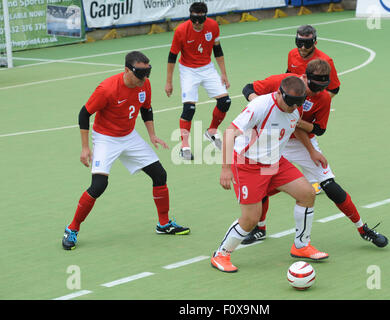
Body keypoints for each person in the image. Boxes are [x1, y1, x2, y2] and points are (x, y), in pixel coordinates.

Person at [240, 59, 388, 250]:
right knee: (261, 186)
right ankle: (260, 228)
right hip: (275, 139)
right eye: (313, 87)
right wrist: (260, 103)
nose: (316, 92)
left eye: (321, 88)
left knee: (331, 186)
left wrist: (310, 148)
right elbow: (247, 88)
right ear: (303, 77)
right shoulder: (285, 82)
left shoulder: (323, 98)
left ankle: (363, 229)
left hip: (304, 142)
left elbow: (318, 129)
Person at [62, 51, 190, 250]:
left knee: (159, 175)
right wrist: (85, 147)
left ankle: (163, 224)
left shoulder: (144, 84)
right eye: (140, 73)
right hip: (105, 138)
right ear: (126, 70)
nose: (144, 78)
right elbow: (84, 114)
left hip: (129, 136)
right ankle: (72, 229)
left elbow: (146, 109)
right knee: (98, 185)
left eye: (147, 72)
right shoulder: (107, 89)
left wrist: (152, 135)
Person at [211, 76, 329, 273]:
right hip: (248, 164)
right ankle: (221, 254)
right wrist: (226, 168)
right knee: (251, 220)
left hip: (274, 161)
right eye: (290, 103)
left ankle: (301, 246)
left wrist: (311, 151)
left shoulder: (294, 108)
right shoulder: (260, 106)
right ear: (279, 94)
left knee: (307, 194)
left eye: (298, 103)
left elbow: (296, 127)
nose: (293, 108)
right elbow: (230, 132)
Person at [165, 2, 231, 160]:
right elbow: (172, 57)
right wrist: (169, 81)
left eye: (200, 20)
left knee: (225, 102)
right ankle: (185, 147)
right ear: (190, 16)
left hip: (207, 68)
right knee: (189, 109)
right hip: (188, 70)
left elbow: (218, 50)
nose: (196, 23)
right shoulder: (181, 30)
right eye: (193, 19)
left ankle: (211, 132)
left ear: (205, 17)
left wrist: (223, 73)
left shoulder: (213, 26)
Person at [288, 24, 341, 194]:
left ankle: (316, 178)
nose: (302, 48)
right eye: (299, 43)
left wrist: (314, 103)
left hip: (312, 105)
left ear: (315, 42)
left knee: (307, 135)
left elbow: (334, 88)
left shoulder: (325, 61)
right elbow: (288, 76)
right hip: (292, 103)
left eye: (307, 44)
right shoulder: (292, 54)